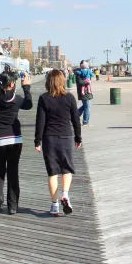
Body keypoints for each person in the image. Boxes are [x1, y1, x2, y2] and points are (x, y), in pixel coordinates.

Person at [0, 71, 33, 215]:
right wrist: (26, 87)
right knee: (12, 171)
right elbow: (29, 104)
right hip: (14, 140)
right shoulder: (16, 99)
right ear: (11, 84)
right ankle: (13, 205)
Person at [34, 70, 83, 216]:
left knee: (52, 172)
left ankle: (54, 205)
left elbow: (40, 122)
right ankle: (65, 194)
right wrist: (78, 138)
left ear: (48, 81)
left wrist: (38, 141)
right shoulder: (69, 98)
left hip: (49, 138)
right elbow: (76, 120)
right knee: (66, 169)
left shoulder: (44, 98)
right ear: (62, 81)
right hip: (66, 136)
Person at [74, 60, 94, 126]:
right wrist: (88, 82)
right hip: (83, 92)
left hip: (86, 92)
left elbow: (90, 77)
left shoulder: (86, 71)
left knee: (85, 106)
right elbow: (80, 82)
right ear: (81, 65)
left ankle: (75, 116)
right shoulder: (78, 73)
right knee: (87, 107)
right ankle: (85, 121)